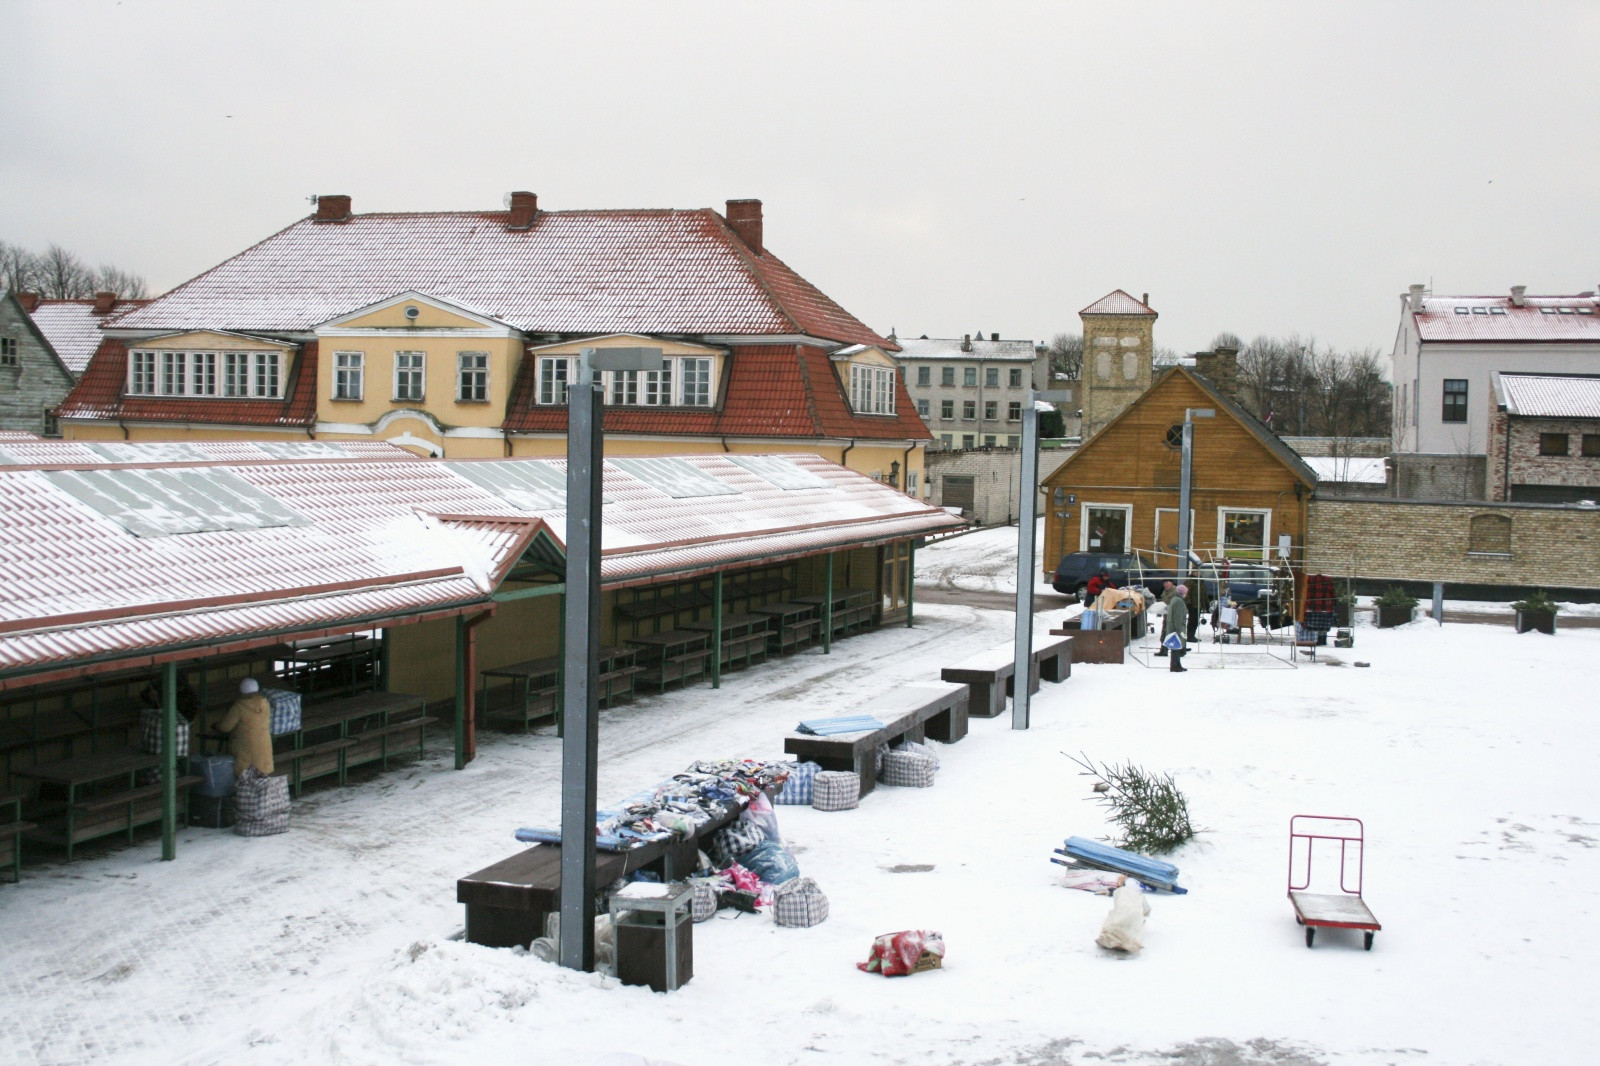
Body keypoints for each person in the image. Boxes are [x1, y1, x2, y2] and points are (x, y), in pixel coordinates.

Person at [215, 678, 274, 777]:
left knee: (246, 777)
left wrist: (216, 725)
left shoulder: (239, 707)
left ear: (241, 691)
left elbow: (225, 727)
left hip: (246, 751)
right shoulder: (265, 704)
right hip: (264, 749)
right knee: (261, 776)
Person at [1163, 585, 1189, 672]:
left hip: (1171, 627)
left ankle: (1177, 665)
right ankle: (1175, 666)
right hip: (1176, 628)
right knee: (1176, 648)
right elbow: (1178, 617)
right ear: (1183, 593)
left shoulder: (1174, 599)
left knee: (1175, 647)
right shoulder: (1179, 601)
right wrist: (1179, 630)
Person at [1155, 580, 1177, 656]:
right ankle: (1164, 649)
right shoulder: (1165, 591)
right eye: (1164, 583)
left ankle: (1180, 650)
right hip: (1166, 614)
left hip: (1174, 615)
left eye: (1167, 583)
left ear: (1172, 583)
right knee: (1165, 632)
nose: (1165, 585)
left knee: (1174, 632)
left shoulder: (1175, 592)